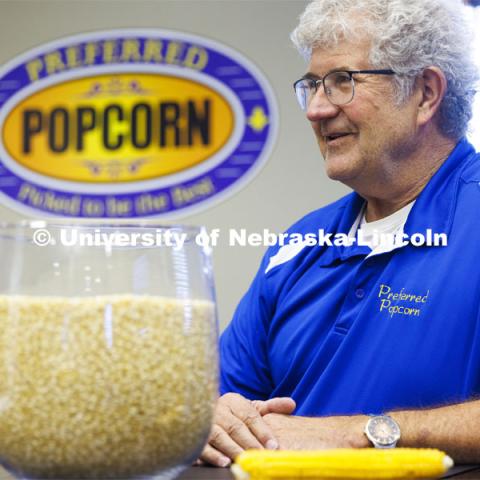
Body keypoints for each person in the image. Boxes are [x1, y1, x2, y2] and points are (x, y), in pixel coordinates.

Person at [199, 0, 480, 467]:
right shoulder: (299, 245)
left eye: (342, 82)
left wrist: (364, 433)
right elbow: (215, 398)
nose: (315, 109)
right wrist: (216, 418)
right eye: (310, 86)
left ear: (426, 93)